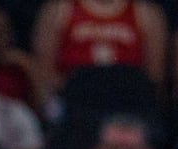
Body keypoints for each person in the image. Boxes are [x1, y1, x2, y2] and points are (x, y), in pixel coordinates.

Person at [33, 0, 170, 98]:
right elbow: (44, 72)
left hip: (127, 104)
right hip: (75, 103)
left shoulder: (146, 13)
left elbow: (154, 77)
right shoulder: (59, 9)